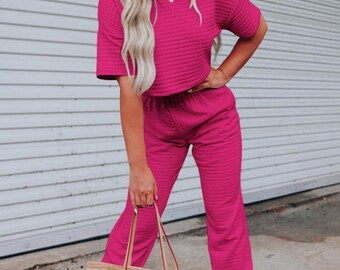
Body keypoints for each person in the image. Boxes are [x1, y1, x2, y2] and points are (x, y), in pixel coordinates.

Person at [96, 0, 268, 269]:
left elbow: (257, 28)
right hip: (156, 121)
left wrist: (223, 73)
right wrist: (138, 169)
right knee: (141, 216)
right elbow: (128, 88)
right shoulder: (115, 3)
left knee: (224, 216)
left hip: (212, 117)